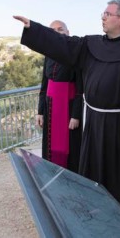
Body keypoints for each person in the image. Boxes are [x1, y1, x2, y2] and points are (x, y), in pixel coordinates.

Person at [13, 0, 120, 214]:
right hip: (94, 120)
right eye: (103, 13)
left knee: (118, 173)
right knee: (91, 168)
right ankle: (93, 207)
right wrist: (34, 28)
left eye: (107, 13)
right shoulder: (91, 45)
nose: (102, 17)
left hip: (119, 124)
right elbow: (63, 43)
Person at [37, 20, 83, 172]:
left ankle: (71, 180)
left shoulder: (75, 54)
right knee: (50, 145)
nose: (57, 33)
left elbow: (79, 88)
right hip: (50, 109)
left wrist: (76, 115)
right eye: (53, 30)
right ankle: (51, 174)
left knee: (70, 146)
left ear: (67, 33)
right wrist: (40, 111)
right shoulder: (47, 54)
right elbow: (44, 85)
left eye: (60, 29)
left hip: (68, 108)